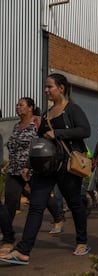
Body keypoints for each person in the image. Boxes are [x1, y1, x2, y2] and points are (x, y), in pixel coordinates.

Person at [0, 74, 91, 265]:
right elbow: (39, 143)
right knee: (36, 206)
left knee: (74, 203)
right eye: (45, 87)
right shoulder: (45, 115)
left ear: (61, 88)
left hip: (67, 166)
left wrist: (57, 133)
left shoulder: (72, 109)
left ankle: (82, 241)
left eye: (49, 87)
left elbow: (85, 130)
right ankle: (23, 250)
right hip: (45, 168)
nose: (46, 90)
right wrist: (27, 165)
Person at [0, 97, 65, 254]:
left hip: (32, 170)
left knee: (39, 198)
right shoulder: (16, 126)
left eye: (21, 105)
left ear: (30, 108)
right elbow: (14, 148)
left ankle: (58, 217)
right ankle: (8, 237)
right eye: (17, 105)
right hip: (15, 170)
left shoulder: (36, 123)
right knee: (10, 201)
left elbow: (41, 145)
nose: (18, 107)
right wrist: (8, 164)